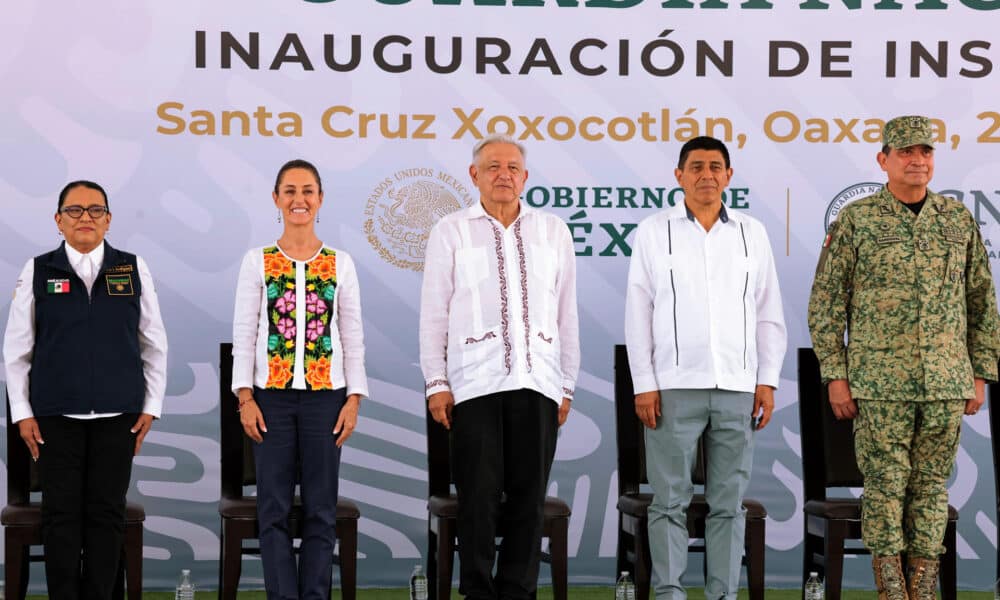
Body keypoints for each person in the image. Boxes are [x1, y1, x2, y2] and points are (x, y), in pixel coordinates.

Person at [807, 115, 1000, 598]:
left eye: (926, 151)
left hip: (945, 382)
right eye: (906, 151)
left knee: (932, 488)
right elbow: (827, 302)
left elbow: (981, 300)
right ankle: (891, 589)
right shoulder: (858, 219)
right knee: (887, 488)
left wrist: (979, 375)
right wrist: (835, 373)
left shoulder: (957, 219)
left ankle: (923, 586)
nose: (918, 160)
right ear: (883, 160)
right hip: (878, 383)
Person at [624, 136, 787, 600]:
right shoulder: (655, 231)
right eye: (696, 166)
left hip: (737, 386)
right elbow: (638, 313)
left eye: (716, 166)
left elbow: (768, 311)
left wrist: (767, 381)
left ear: (729, 176)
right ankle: (670, 592)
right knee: (669, 501)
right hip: (673, 387)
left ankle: (722, 595)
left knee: (728, 505)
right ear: (679, 176)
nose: (706, 175)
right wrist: (644, 384)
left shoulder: (751, 233)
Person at [419, 134, 579, 600]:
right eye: (492, 167)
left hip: (539, 381)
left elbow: (566, 313)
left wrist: (565, 384)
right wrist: (436, 383)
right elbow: (434, 314)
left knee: (529, 503)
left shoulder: (553, 231)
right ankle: (478, 592)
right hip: (474, 384)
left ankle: (518, 593)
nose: (503, 174)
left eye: (512, 167)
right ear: (474, 175)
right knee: (479, 502)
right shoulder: (450, 230)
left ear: (525, 177)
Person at [2, 180, 168, 599]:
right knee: (61, 518)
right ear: (58, 221)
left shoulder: (132, 268)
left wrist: (151, 405)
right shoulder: (38, 270)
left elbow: (154, 342)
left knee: (106, 515)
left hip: (119, 416)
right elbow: (17, 348)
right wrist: (22, 412)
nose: (85, 218)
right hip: (55, 418)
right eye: (74, 211)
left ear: (108, 220)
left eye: (95, 210)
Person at [231, 159, 368, 600]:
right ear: (276, 199)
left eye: (308, 191)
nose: (299, 200)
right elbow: (244, 332)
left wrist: (354, 399)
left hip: (326, 400)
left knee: (320, 510)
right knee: (271, 509)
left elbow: (352, 335)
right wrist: (245, 396)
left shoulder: (339, 263)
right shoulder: (258, 262)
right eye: (289, 191)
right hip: (269, 399)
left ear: (321, 199)